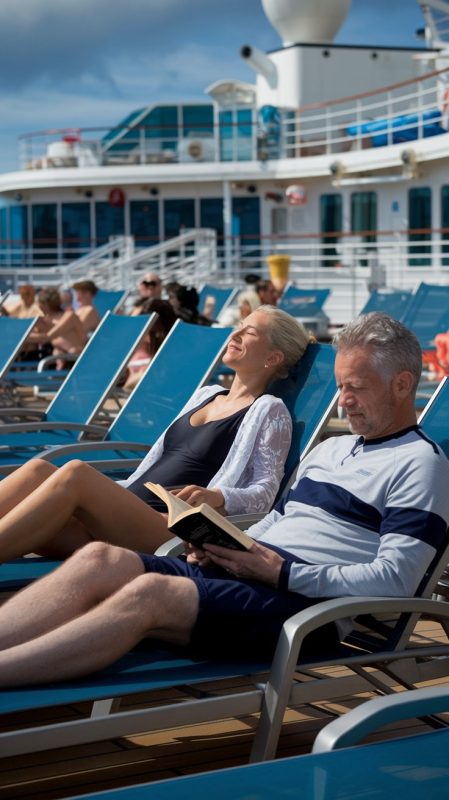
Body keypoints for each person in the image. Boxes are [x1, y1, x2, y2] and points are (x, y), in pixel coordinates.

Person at [0, 312, 448, 686]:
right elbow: (276, 519)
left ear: (403, 384)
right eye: (339, 387)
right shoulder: (331, 449)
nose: (343, 401)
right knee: (101, 558)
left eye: (357, 388)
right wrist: (226, 545)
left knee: (152, 592)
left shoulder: (420, 464)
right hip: (252, 575)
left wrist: (282, 571)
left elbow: (394, 582)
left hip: (306, 609)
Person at [0, 306, 310, 565]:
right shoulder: (207, 394)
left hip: (168, 531)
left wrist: (219, 496)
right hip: (118, 516)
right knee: (40, 470)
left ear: (272, 358)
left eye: (249, 332)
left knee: (76, 474)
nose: (234, 334)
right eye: (238, 327)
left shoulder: (269, 410)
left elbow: (266, 491)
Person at [122, 298, 177, 392]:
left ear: (155, 327)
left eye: (140, 322)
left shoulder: (158, 368)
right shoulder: (173, 349)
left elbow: (128, 386)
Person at [27, 287, 87, 369]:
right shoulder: (46, 320)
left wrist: (20, 337)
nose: (37, 305)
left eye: (38, 302)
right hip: (65, 359)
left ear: (45, 304)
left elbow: (47, 336)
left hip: (78, 359)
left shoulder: (69, 316)